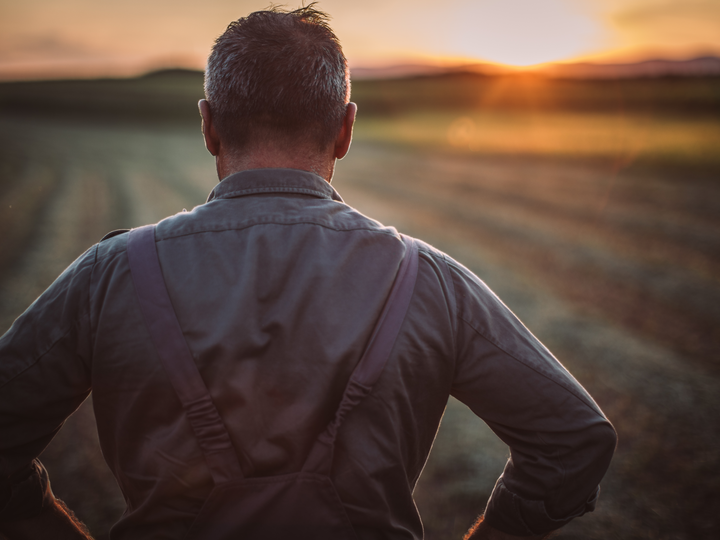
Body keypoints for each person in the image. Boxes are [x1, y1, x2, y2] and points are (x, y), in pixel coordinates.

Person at [0, 5, 616, 540]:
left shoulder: (111, 274)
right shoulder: (426, 279)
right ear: (345, 129)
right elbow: (572, 440)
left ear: (209, 125)